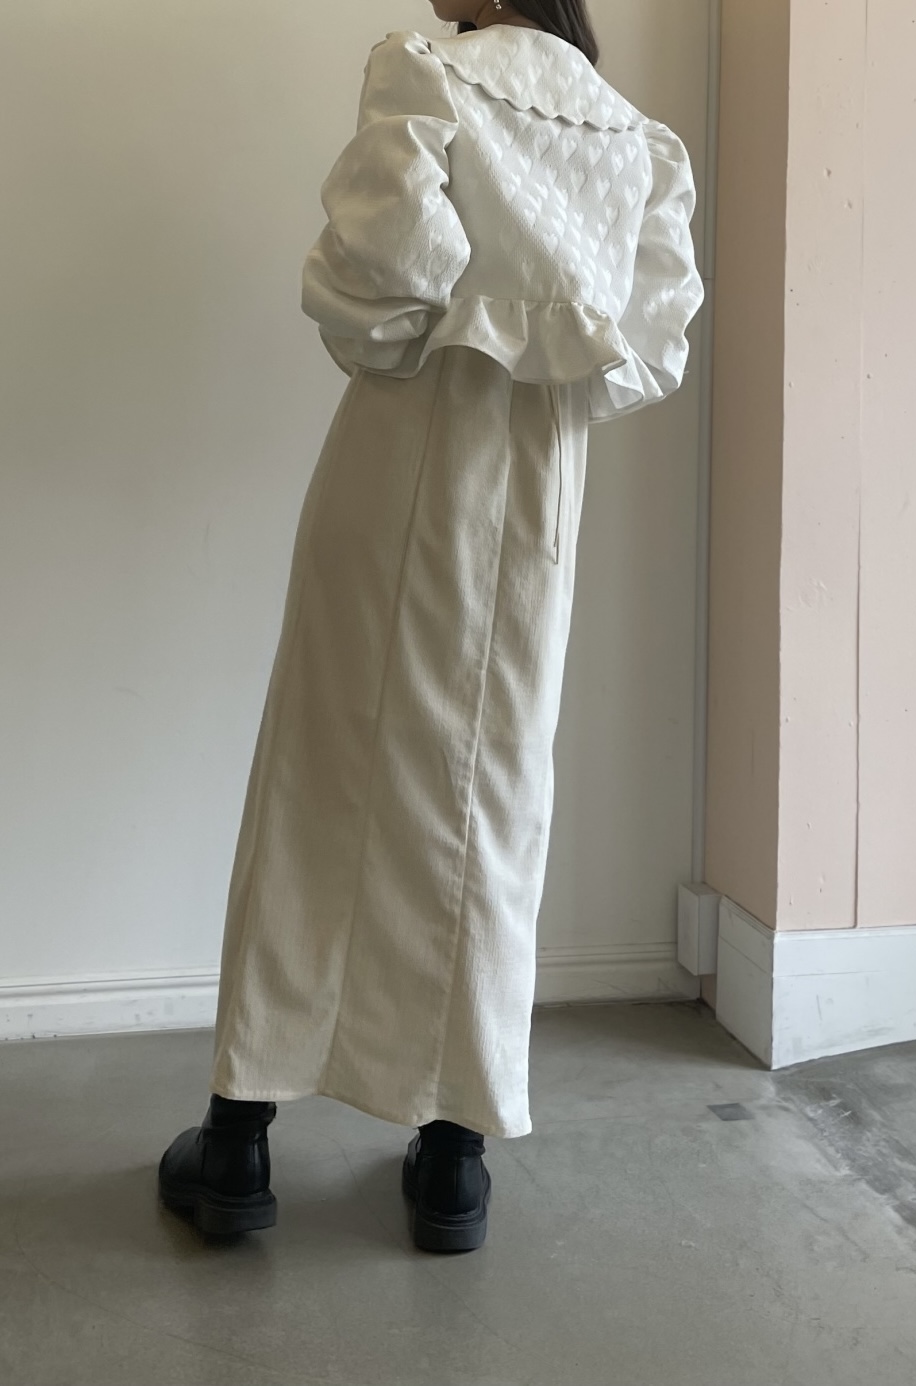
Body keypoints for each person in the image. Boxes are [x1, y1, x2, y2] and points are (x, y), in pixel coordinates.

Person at [158, 0, 704, 1254]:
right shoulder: (637, 139)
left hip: (404, 452)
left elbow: (377, 281)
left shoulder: (426, 74)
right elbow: (647, 346)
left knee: (322, 767)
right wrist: (543, 346)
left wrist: (435, 326)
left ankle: (239, 1139)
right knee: (495, 790)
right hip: (541, 487)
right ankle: (453, 1159)